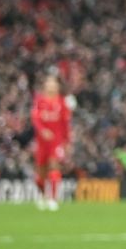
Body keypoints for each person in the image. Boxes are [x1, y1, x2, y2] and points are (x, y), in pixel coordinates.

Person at [31, 74, 72, 211]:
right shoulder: (39, 101)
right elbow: (35, 119)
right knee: (40, 174)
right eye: (49, 83)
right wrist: (42, 130)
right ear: (45, 85)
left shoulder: (62, 103)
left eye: (54, 83)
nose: (51, 85)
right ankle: (43, 196)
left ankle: (53, 199)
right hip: (42, 142)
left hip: (56, 141)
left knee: (54, 167)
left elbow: (66, 124)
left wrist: (67, 142)